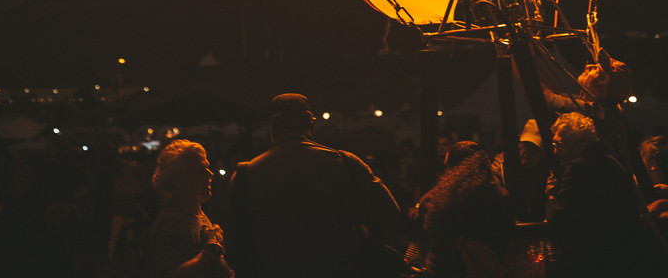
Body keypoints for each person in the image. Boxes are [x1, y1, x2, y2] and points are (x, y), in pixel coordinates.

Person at [225, 92, 401, 278]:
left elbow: (234, 241)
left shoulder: (246, 173)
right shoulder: (347, 163)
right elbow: (390, 213)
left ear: (272, 128)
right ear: (310, 124)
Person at [546, 111, 660, 277]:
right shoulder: (608, 160)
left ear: (577, 143)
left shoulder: (579, 168)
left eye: (560, 144)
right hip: (624, 257)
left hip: (600, 261)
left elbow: (559, 219)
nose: (555, 151)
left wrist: (551, 192)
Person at [404, 143, 515, 277]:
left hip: (441, 272)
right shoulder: (499, 196)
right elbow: (508, 235)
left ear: (452, 168)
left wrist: (416, 208)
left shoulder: (437, 197)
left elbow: (416, 220)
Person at [148, 139, 233, 278]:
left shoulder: (194, 213)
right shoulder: (173, 222)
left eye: (207, 167)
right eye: (200, 171)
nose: (210, 174)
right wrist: (210, 250)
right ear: (179, 179)